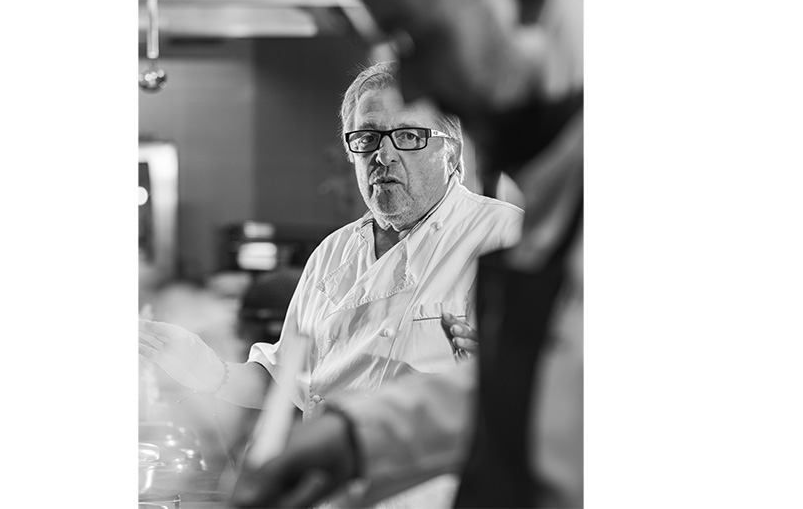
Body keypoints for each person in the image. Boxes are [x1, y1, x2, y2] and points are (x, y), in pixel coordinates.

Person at [232, 0, 583, 507]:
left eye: (421, 37)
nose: (416, 87)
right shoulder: (557, 191)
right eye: (368, 139)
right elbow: (557, 389)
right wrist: (355, 437)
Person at [139, 60, 523, 506]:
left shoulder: (503, 236)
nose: (384, 155)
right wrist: (208, 369)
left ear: (452, 153)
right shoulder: (333, 253)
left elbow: (559, 400)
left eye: (408, 136)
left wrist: (505, 379)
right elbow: (290, 381)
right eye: (367, 138)